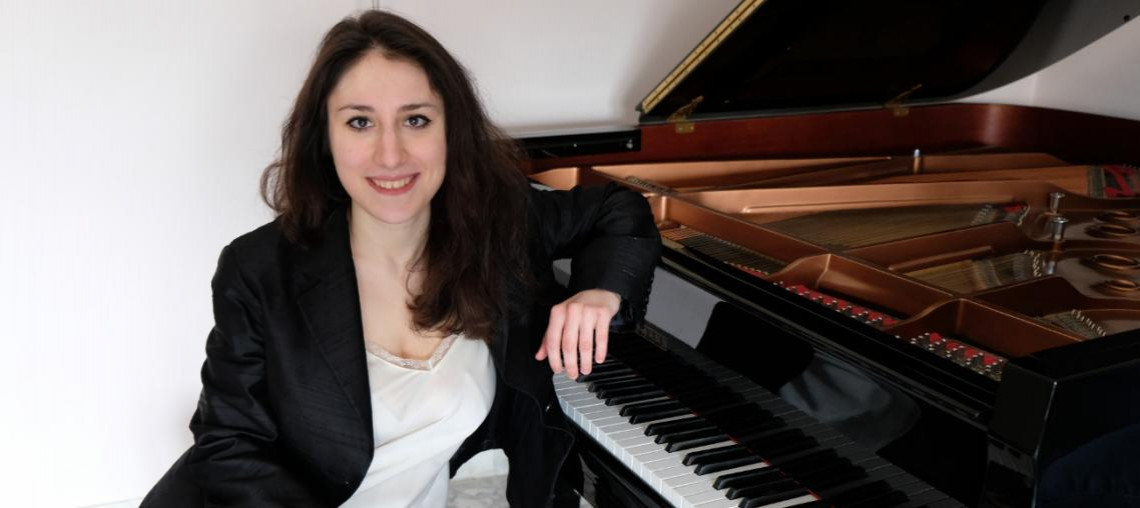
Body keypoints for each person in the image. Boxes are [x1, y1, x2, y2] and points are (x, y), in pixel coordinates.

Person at [142, 10, 660, 507]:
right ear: (325, 137)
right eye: (359, 122)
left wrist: (601, 291)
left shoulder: (500, 226)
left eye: (415, 119)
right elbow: (230, 447)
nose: (390, 155)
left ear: (451, 129)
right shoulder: (258, 269)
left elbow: (618, 209)